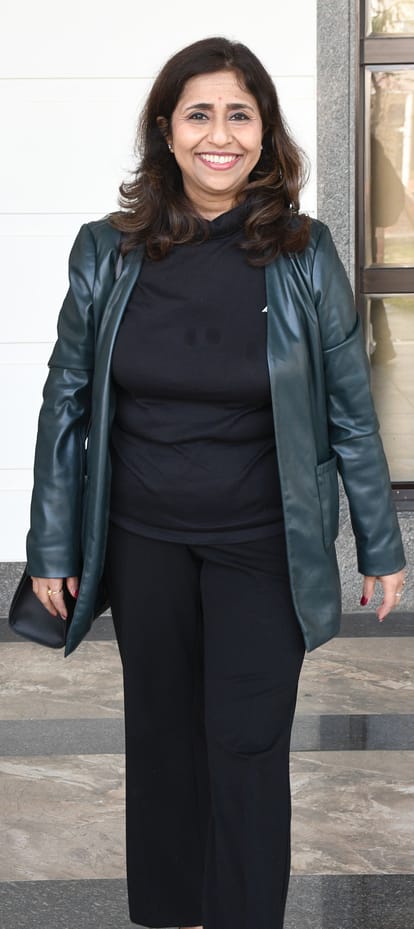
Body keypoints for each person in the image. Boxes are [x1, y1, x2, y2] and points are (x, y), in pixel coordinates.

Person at [26, 36, 405, 929]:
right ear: (166, 129)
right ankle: (171, 915)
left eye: (241, 114)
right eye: (200, 114)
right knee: (162, 741)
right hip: (143, 539)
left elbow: (350, 407)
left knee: (246, 742)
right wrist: (50, 544)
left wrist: (380, 542)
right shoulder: (106, 252)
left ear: (265, 132)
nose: (220, 134)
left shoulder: (305, 254)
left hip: (261, 543)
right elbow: (65, 401)